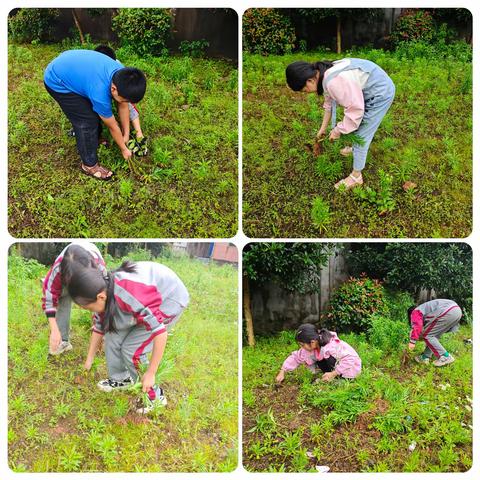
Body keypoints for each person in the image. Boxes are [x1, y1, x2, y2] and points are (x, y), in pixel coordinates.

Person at [66, 260, 189, 413]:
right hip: (142, 301)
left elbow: (160, 333)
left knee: (132, 349)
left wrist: (151, 372)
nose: (87, 310)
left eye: (87, 307)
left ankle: (155, 396)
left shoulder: (131, 296)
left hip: (169, 298)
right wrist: (88, 361)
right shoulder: (103, 290)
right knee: (112, 334)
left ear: (100, 297)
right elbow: (99, 327)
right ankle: (120, 379)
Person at [286, 58, 395, 190]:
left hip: (380, 93)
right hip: (368, 90)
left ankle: (356, 176)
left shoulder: (334, 82)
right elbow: (329, 105)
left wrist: (337, 130)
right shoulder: (322, 74)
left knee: (362, 134)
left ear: (310, 80)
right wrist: (323, 129)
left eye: (304, 90)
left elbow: (355, 112)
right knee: (355, 126)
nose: (307, 93)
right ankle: (355, 150)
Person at [44, 49, 147, 180]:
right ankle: (89, 165)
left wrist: (126, 134)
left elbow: (123, 105)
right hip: (56, 80)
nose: (125, 103)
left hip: (73, 68)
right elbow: (112, 126)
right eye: (125, 99)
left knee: (93, 111)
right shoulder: (100, 92)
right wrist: (123, 149)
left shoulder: (122, 74)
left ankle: (94, 138)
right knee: (87, 121)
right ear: (113, 89)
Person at [42, 242, 106, 355]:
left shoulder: (100, 270)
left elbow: (103, 300)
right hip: (64, 278)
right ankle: (63, 340)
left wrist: (99, 323)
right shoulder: (58, 270)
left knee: (99, 304)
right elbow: (49, 299)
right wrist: (54, 330)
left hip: (92, 274)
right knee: (62, 297)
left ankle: (105, 337)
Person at [94, 45, 146, 145]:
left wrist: (126, 134)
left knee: (126, 101)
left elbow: (124, 105)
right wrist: (122, 146)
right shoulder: (97, 83)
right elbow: (111, 123)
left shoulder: (119, 70)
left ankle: (139, 133)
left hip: (114, 87)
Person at [276, 324, 361, 383]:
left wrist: (333, 373)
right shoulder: (314, 344)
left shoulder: (331, 346)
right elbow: (295, 357)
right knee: (314, 357)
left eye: (302, 345)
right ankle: (331, 375)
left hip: (350, 370)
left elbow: (350, 358)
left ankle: (338, 379)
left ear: (312, 342)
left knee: (326, 358)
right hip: (336, 367)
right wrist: (282, 371)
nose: (301, 347)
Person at [407, 299, 462, 366]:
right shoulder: (426, 310)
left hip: (448, 311)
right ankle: (425, 357)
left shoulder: (415, 312)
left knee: (428, 336)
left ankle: (445, 357)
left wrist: (412, 342)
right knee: (433, 336)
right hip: (457, 311)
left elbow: (417, 326)